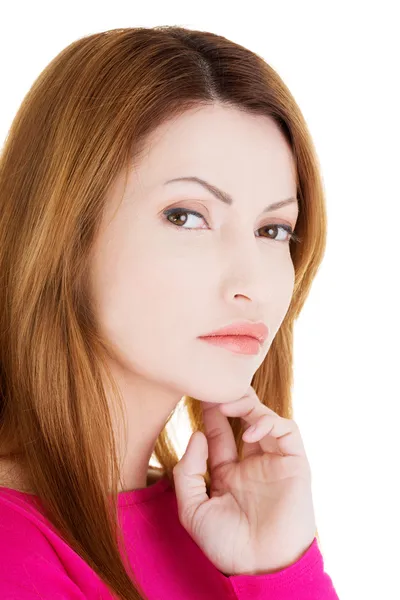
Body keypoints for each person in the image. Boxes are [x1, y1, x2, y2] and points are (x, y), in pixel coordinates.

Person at [0, 25, 339, 599]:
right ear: (63, 232)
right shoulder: (15, 555)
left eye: (273, 229)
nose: (251, 283)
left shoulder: (224, 528)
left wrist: (280, 568)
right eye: (187, 216)